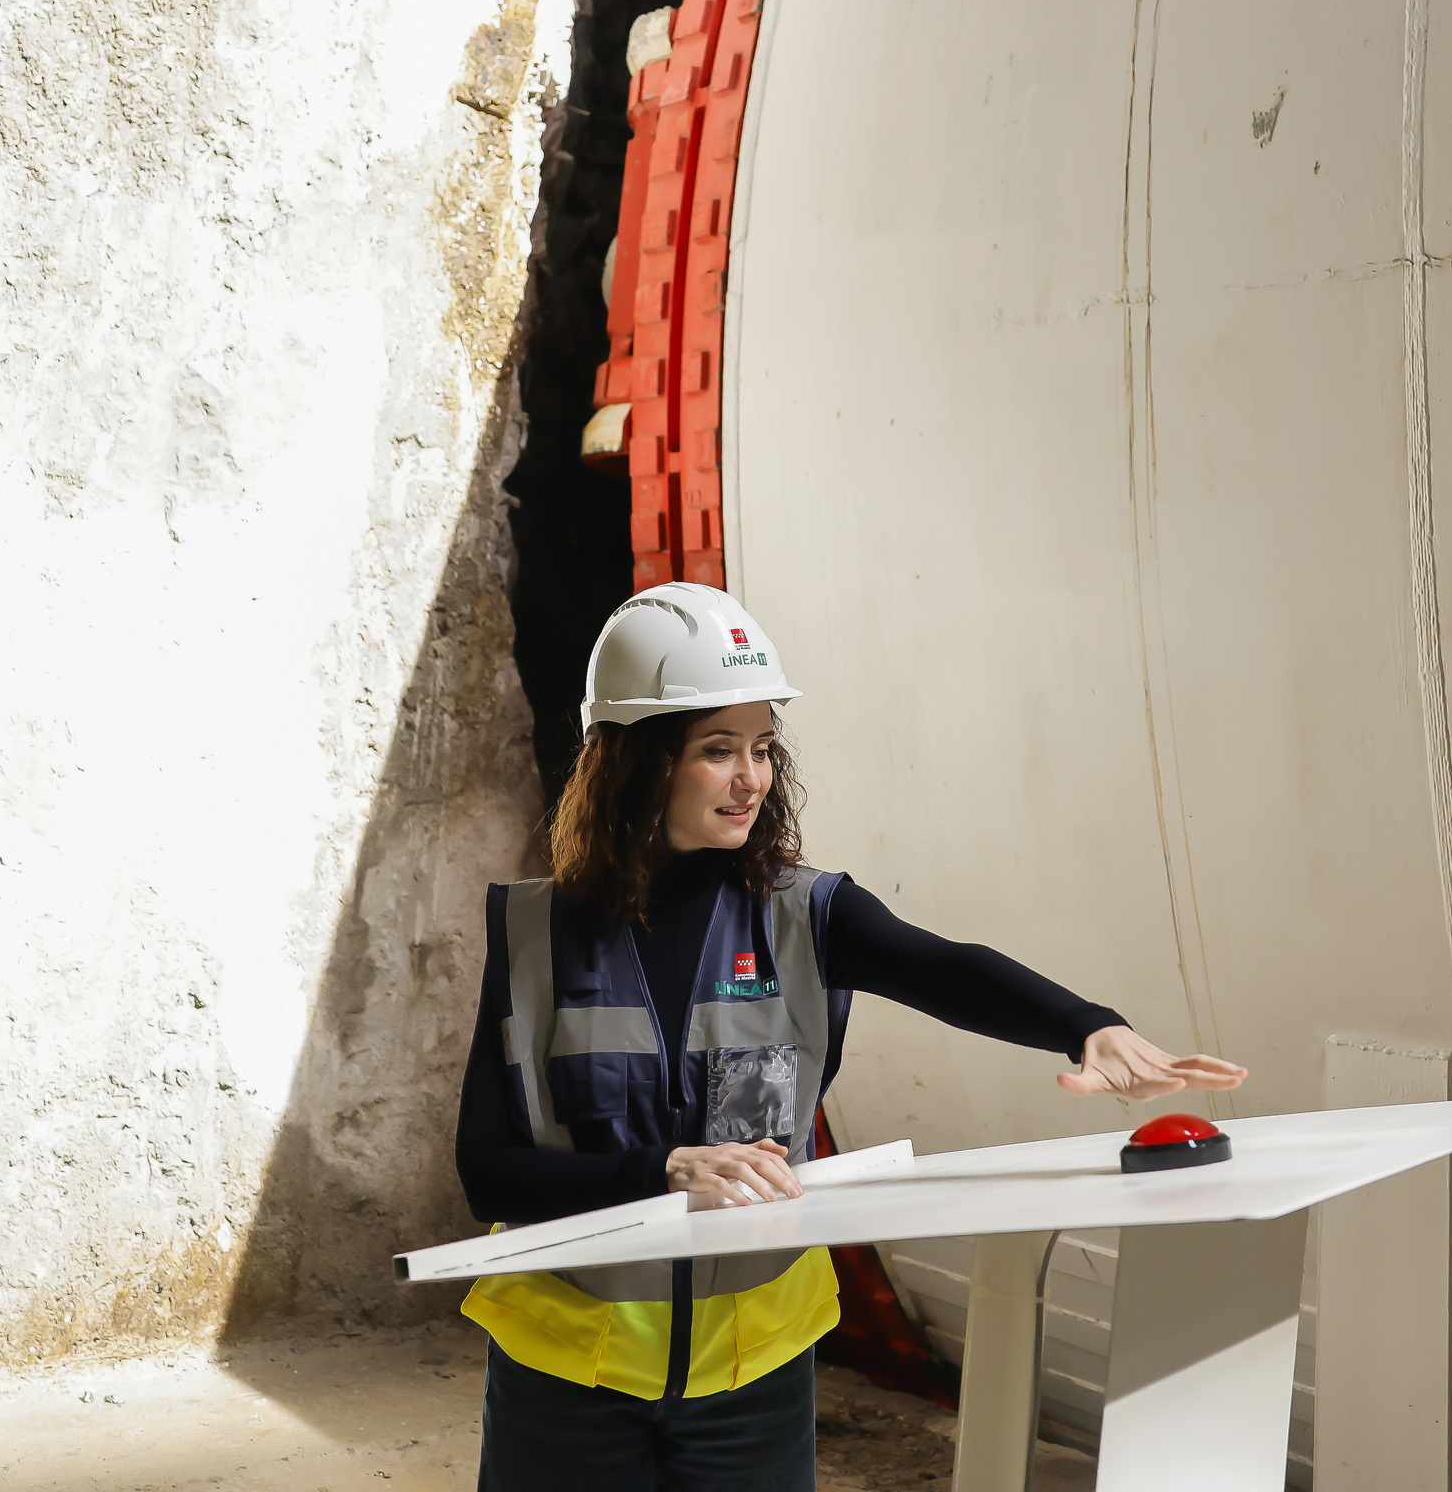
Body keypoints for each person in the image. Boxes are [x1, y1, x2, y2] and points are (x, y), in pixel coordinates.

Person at [456, 582, 1247, 1490]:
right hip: (565, 1378)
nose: (752, 778)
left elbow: (947, 968)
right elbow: (488, 1172)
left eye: (762, 748)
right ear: (639, 759)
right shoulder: (532, 934)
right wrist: (661, 1170)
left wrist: (1086, 1027)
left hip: (751, 1376)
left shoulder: (807, 916)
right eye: (718, 750)